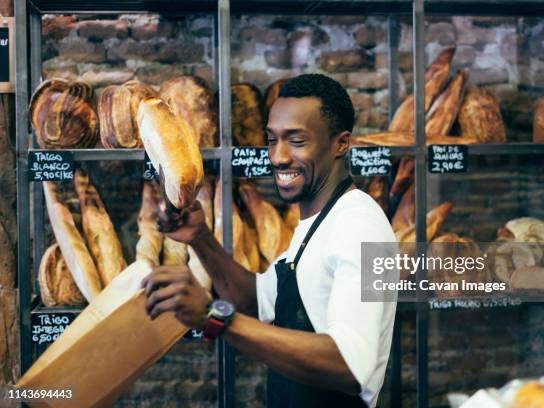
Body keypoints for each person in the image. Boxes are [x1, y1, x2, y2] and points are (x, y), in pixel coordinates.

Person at [142, 74, 397, 407]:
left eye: (296, 140)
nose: (277, 156)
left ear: (341, 143)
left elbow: (350, 366)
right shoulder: (316, 224)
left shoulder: (359, 225)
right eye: (272, 139)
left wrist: (212, 316)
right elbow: (255, 303)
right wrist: (200, 239)